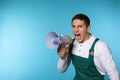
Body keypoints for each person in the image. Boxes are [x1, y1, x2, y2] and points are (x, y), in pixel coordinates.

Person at [57, 13, 119, 80]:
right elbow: (62, 70)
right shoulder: (71, 43)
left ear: (88, 28)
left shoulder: (100, 46)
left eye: (80, 26)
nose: (76, 30)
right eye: (73, 26)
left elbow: (113, 73)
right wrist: (63, 57)